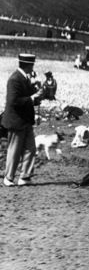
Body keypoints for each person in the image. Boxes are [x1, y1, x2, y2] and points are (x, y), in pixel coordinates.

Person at [3, 54, 44, 187]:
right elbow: (13, 101)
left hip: (25, 120)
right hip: (16, 120)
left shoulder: (24, 78)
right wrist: (32, 98)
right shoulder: (15, 79)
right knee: (14, 150)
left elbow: (30, 97)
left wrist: (39, 93)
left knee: (30, 149)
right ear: (29, 65)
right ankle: (8, 177)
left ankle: (24, 177)